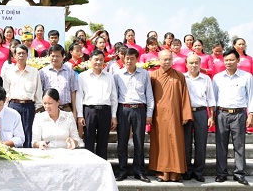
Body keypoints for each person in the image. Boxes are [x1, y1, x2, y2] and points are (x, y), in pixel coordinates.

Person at [149, 49, 193, 182]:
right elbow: (149, 97)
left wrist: (185, 114)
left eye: (169, 59)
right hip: (159, 117)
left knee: (176, 143)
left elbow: (185, 95)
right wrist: (149, 115)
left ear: (173, 60)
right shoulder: (153, 76)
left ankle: (175, 173)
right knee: (161, 144)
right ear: (159, 60)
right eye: (164, 59)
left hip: (175, 116)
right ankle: (162, 172)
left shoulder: (179, 76)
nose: (167, 61)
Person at [113, 48, 154, 183]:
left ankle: (139, 171)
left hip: (140, 110)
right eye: (127, 58)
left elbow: (149, 95)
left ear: (137, 59)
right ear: (123, 59)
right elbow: (114, 96)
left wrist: (149, 113)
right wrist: (114, 114)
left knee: (139, 141)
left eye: (132, 58)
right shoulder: (117, 75)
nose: (129, 61)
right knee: (122, 142)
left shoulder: (144, 74)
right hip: (123, 109)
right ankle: (122, 171)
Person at [213, 49, 253, 185]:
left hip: (239, 114)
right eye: (226, 60)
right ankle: (221, 173)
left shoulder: (247, 77)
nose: (228, 62)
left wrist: (251, 114)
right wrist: (213, 115)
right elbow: (214, 98)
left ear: (238, 60)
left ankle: (239, 174)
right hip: (221, 114)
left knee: (239, 145)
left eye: (231, 59)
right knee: (221, 145)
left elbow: (251, 97)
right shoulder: (217, 78)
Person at [76, 49, 118, 160]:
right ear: (90, 60)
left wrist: (113, 116)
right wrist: (80, 115)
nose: (98, 62)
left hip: (105, 111)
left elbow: (114, 97)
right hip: (89, 110)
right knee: (89, 140)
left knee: (103, 141)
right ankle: (89, 168)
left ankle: (102, 168)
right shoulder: (83, 76)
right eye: (96, 60)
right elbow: (79, 96)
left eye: (101, 60)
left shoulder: (109, 76)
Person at [183, 53, 215, 182]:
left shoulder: (206, 79)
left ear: (200, 64)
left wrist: (211, 115)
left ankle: (198, 171)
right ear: (186, 64)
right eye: (191, 63)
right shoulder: (182, 78)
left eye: (196, 62)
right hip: (186, 112)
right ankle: (187, 170)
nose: (193, 65)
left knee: (201, 143)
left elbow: (211, 98)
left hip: (201, 112)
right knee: (186, 143)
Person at [3, 44, 43, 148]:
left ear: (27, 55)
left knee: (27, 132)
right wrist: (6, 107)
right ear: (14, 56)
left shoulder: (34, 72)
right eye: (18, 53)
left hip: (28, 107)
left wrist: (38, 108)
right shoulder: (9, 72)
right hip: (13, 105)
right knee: (13, 132)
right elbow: (6, 91)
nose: (21, 55)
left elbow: (38, 91)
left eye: (23, 53)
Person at [39, 45, 78, 117]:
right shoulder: (43, 72)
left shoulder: (70, 72)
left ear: (63, 56)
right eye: (52, 56)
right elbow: (40, 92)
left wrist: (74, 111)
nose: (55, 58)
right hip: (48, 110)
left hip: (66, 109)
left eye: (57, 56)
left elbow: (73, 93)